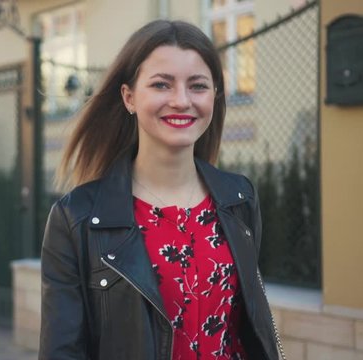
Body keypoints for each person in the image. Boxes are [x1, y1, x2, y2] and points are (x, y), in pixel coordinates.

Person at [39, 19, 283, 360]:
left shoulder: (240, 198)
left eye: (197, 86)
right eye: (161, 85)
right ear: (129, 97)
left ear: (214, 96)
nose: (181, 100)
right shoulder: (76, 218)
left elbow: (248, 326)